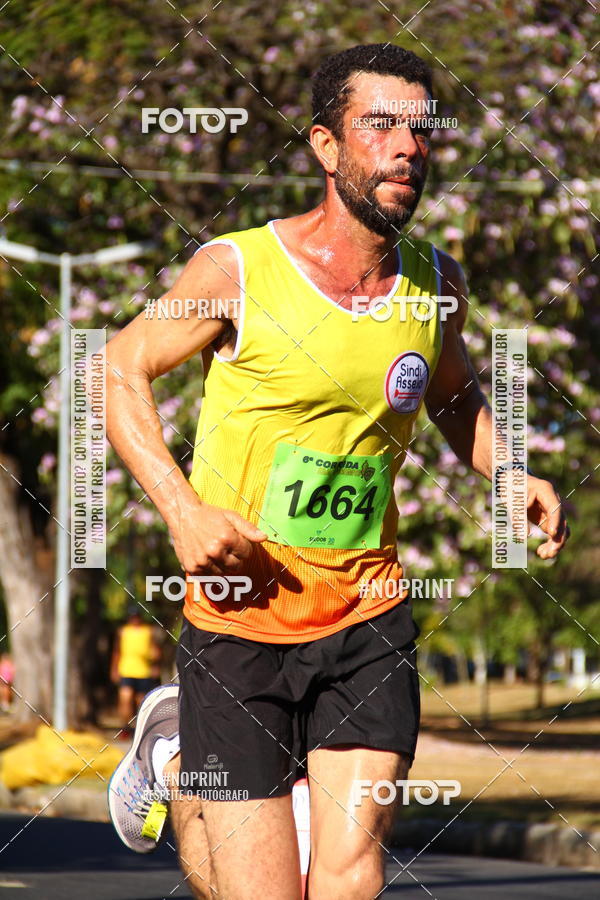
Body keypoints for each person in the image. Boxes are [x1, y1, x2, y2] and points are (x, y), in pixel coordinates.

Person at [105, 43, 569, 899]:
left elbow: (453, 396)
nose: (408, 147)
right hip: (240, 618)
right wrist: (181, 511)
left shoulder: (437, 284)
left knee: (349, 880)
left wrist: (511, 474)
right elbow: (117, 366)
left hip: (366, 616)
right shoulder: (238, 271)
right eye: (379, 126)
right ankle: (172, 762)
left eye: (420, 130)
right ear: (325, 145)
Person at [111, 607, 161, 737]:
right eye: (132, 617)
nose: (135, 620)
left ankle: (141, 729)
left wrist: (155, 663)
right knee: (125, 698)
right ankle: (125, 727)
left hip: (144, 672)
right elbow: (117, 651)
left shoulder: (148, 631)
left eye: (137, 617)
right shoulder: (123, 632)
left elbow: (155, 651)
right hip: (126, 670)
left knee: (141, 702)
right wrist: (114, 669)